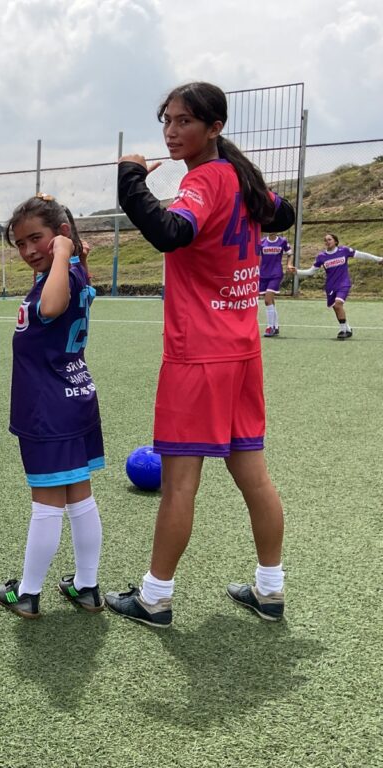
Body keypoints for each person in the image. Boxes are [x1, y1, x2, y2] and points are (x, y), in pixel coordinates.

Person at [107, 82, 295, 627]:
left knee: (180, 484)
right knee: (253, 476)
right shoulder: (241, 178)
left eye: (185, 121)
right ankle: (269, 589)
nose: (171, 130)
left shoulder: (207, 178)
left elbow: (169, 232)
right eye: (167, 119)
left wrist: (130, 178)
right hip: (241, 352)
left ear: (214, 128)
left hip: (199, 356)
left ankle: (154, 597)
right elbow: (280, 216)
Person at [0, 194, 106, 619]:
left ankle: (27, 593)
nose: (27, 251)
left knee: (47, 502)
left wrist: (62, 254)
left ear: (59, 237)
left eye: (36, 239)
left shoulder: (61, 276)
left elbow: (52, 306)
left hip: (49, 406)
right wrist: (68, 255)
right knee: (79, 496)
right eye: (20, 244)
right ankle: (86, 586)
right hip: (75, 396)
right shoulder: (70, 271)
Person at [288, 233, 383, 339]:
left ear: (336, 241)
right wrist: (297, 271)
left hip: (343, 283)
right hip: (330, 285)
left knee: (338, 305)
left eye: (329, 239)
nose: (327, 242)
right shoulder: (321, 256)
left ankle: (343, 331)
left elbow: (362, 255)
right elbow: (311, 271)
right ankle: (347, 328)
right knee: (336, 308)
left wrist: (378, 259)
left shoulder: (344, 251)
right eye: (325, 240)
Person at [258, 233, 291, 337]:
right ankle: (276, 326)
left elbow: (290, 253)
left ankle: (270, 327)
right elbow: (258, 258)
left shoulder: (282, 241)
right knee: (271, 301)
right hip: (263, 274)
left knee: (267, 300)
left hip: (276, 274)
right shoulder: (262, 242)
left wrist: (289, 264)